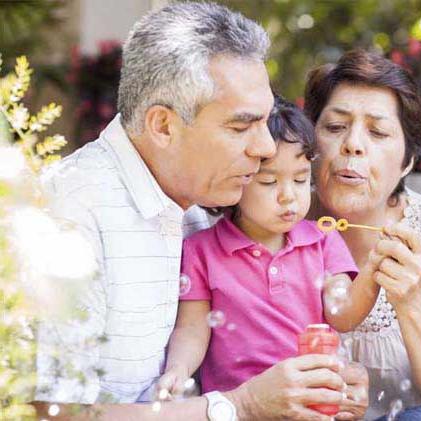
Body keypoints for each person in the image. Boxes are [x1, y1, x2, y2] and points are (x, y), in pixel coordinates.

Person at [32, 3, 366, 420]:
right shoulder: (71, 215)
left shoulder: (203, 204)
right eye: (241, 126)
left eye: (264, 122)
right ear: (164, 126)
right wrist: (240, 407)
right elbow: (52, 415)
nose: (264, 148)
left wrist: (321, 383)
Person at [157, 96, 380, 402]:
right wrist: (178, 369)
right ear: (237, 178)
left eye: (301, 179)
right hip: (238, 406)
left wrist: (375, 271)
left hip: (309, 402)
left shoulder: (323, 241)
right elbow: (193, 329)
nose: (288, 196)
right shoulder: (202, 251)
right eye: (268, 182)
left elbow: (342, 314)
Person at [305, 50, 421, 420]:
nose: (353, 144)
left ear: (407, 161)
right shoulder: (274, 224)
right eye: (336, 127)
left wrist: (413, 301)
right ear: (309, 142)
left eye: (377, 131)